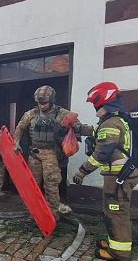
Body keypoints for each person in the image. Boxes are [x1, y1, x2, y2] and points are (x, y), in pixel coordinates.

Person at [72, 82, 138, 261]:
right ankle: (114, 244)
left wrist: (82, 171)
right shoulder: (115, 120)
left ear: (106, 104)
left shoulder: (111, 123)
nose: (95, 110)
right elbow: (97, 131)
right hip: (122, 175)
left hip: (119, 177)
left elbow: (101, 153)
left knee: (116, 212)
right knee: (113, 211)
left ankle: (120, 253)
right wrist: (79, 128)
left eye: (96, 106)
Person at [13, 85, 93, 217]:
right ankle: (33, 210)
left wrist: (93, 131)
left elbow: (78, 127)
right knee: (33, 183)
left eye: (44, 103)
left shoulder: (62, 113)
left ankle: (54, 209)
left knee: (51, 182)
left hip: (51, 154)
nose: (41, 106)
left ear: (51, 101)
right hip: (35, 153)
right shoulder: (31, 113)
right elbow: (20, 127)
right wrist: (16, 142)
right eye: (39, 103)